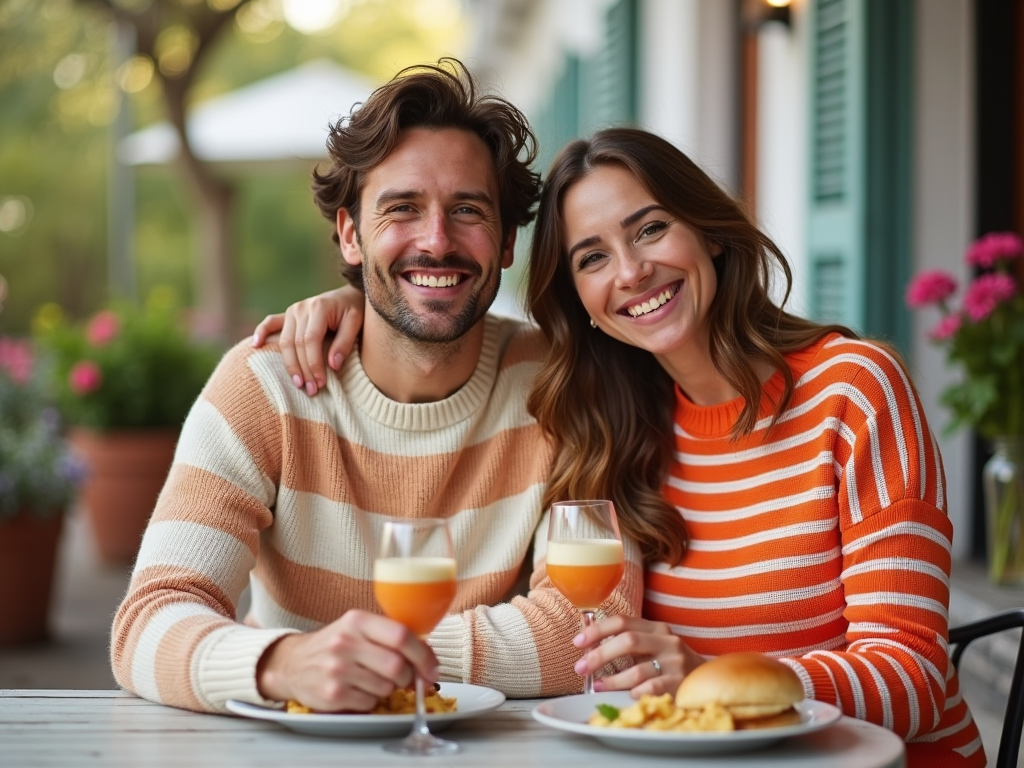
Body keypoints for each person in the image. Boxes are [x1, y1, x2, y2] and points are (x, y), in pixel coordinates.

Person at [256, 127, 985, 767]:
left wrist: (710, 675)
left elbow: (915, 680)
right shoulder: (610, 420)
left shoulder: (852, 391)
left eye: (650, 229)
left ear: (711, 233)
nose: (631, 273)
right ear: (583, 307)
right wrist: (353, 301)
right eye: (593, 258)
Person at [110, 60, 643, 717]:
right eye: (403, 209)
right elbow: (147, 622)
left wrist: (353, 659)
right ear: (351, 234)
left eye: (467, 210)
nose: (437, 240)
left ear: (507, 242)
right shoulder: (265, 388)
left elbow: (587, 631)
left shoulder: (563, 385)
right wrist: (281, 664)